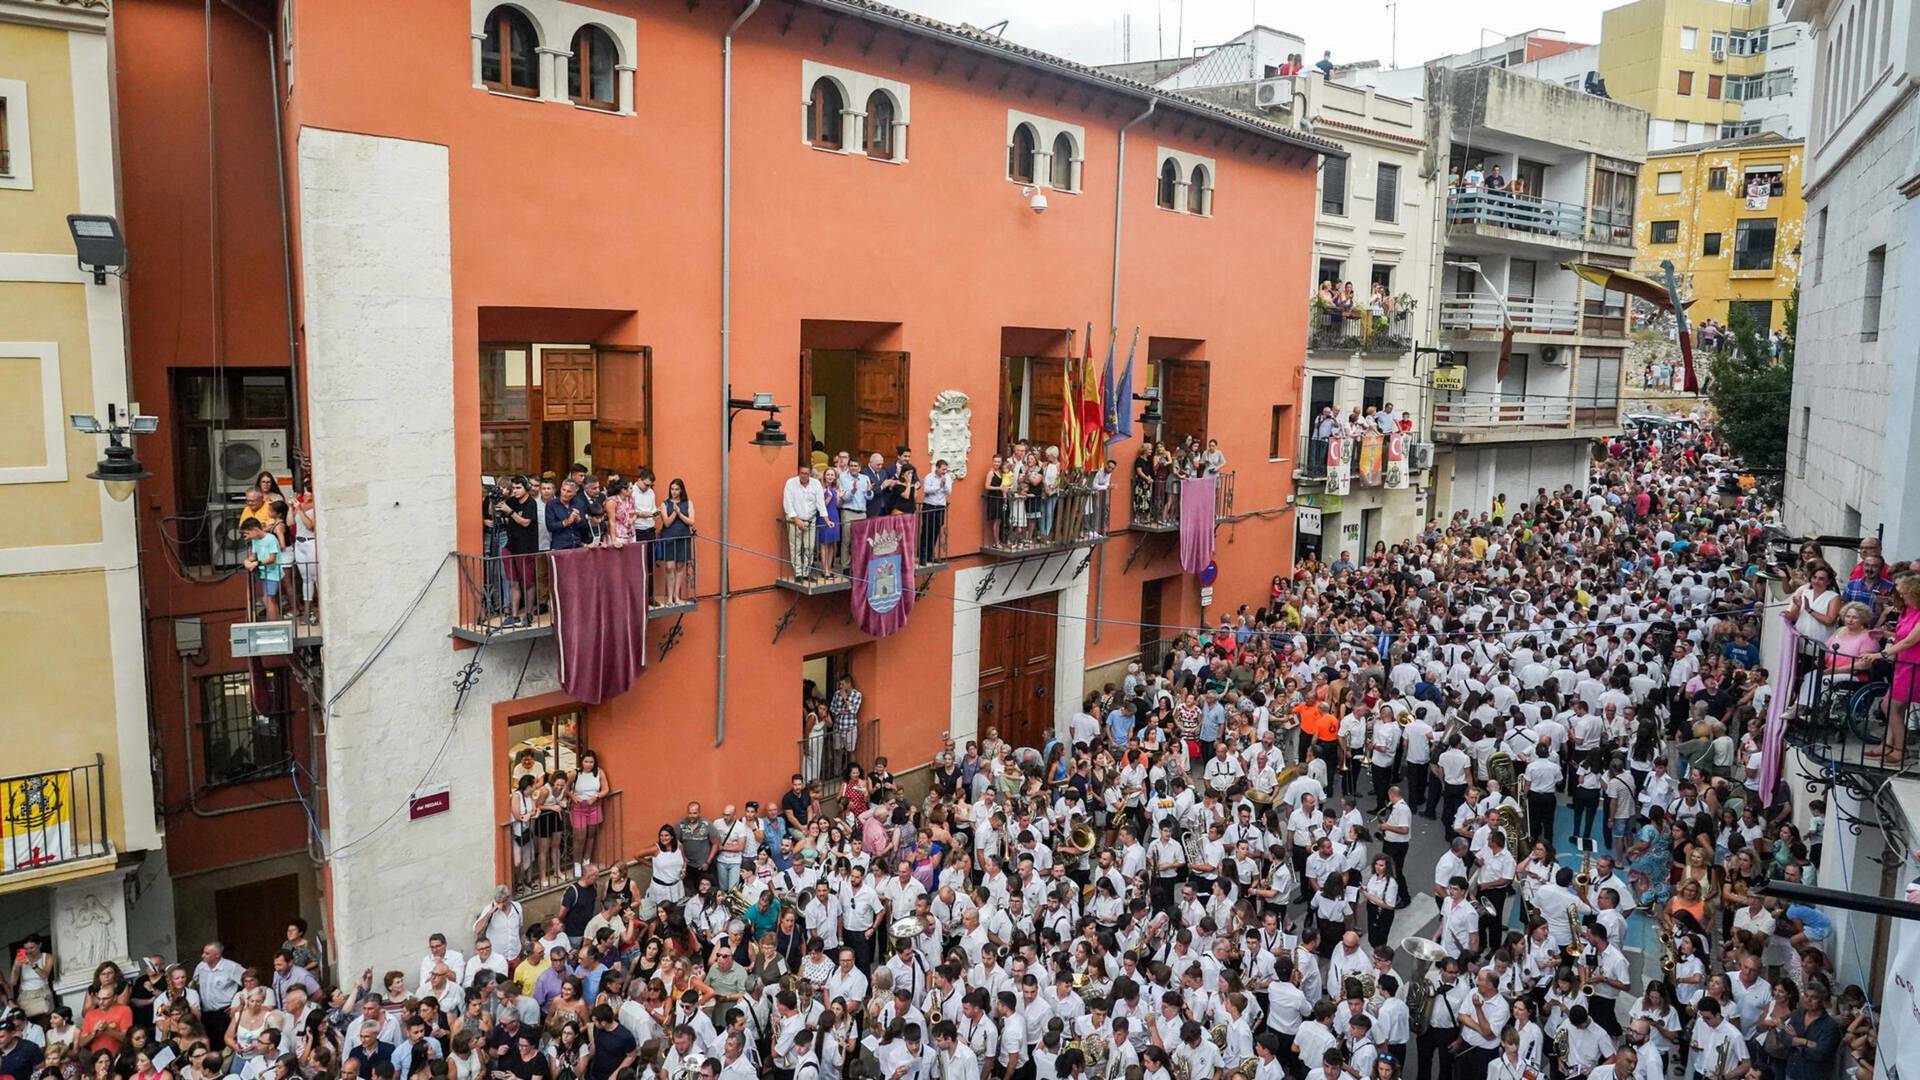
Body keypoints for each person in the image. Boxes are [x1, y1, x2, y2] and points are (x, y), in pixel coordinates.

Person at [781, 463, 828, 581]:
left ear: (810, 474)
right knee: (796, 548)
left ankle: (806, 572)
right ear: (798, 473)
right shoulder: (791, 483)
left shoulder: (816, 484)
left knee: (809, 547)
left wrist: (826, 519)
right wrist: (796, 519)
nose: (804, 476)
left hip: (810, 520)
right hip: (794, 520)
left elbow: (820, 503)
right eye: (802, 473)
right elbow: (787, 503)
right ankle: (798, 573)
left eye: (806, 474)